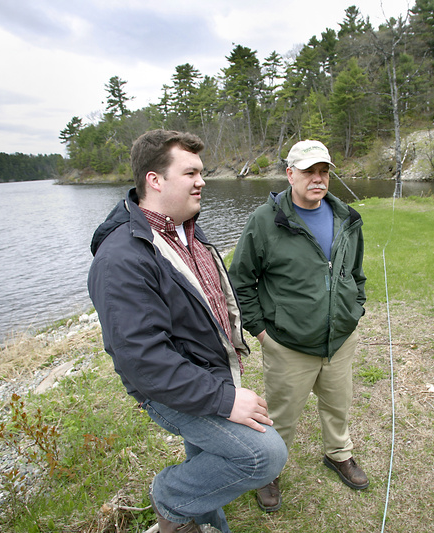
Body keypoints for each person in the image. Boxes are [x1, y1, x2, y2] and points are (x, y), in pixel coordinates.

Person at [87, 130, 287, 533]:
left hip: (211, 374)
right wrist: (224, 399)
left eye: (202, 172)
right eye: (191, 172)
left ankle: (206, 525)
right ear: (154, 180)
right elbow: (143, 361)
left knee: (205, 465)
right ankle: (170, 497)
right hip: (172, 390)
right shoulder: (122, 257)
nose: (202, 181)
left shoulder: (186, 228)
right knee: (263, 455)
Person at [228, 139, 369, 513]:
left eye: (323, 171)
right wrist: (261, 331)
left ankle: (339, 454)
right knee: (281, 415)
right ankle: (269, 471)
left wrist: (356, 309)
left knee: (338, 405)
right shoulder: (265, 220)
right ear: (290, 174)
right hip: (287, 345)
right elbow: (241, 281)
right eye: (308, 171)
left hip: (340, 339)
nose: (317, 179)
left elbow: (355, 273)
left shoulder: (348, 218)